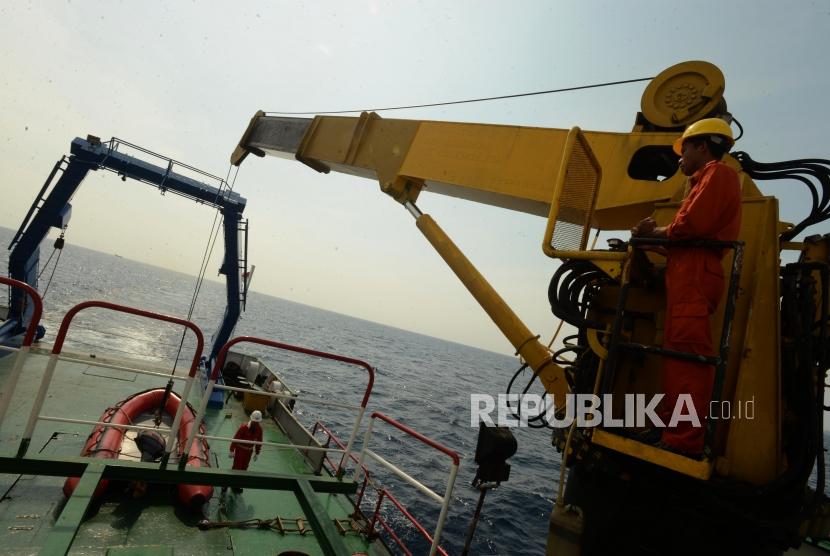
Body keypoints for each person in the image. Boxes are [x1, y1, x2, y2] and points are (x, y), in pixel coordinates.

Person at [631, 117, 741, 456]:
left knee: (688, 360)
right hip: (688, 272)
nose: (680, 158)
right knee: (677, 358)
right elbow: (686, 238)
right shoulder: (702, 181)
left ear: (703, 146)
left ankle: (683, 439)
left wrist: (653, 234)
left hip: (695, 276)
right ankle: (669, 428)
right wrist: (645, 242)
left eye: (685, 150)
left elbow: (690, 226)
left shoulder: (718, 174)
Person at [224, 410, 264, 494]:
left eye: (257, 422)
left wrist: (257, 452)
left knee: (244, 468)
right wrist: (232, 450)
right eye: (255, 422)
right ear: (252, 420)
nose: (256, 423)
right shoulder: (243, 428)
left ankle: (236, 485)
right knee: (236, 467)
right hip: (240, 450)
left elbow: (259, 441)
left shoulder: (259, 429)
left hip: (249, 452)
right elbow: (235, 438)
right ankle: (226, 484)